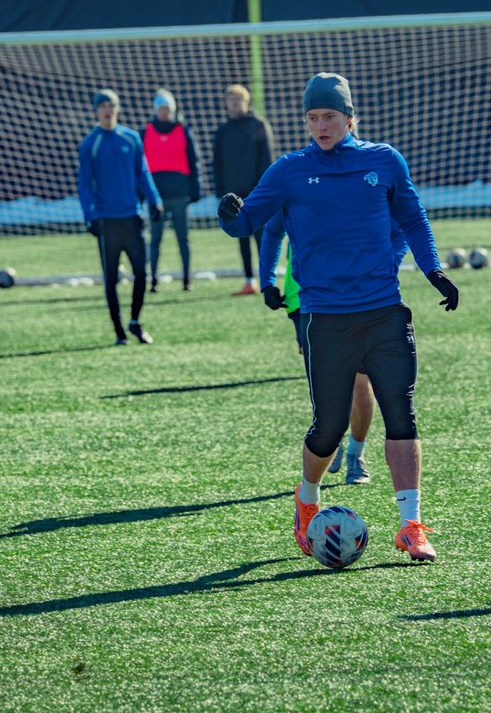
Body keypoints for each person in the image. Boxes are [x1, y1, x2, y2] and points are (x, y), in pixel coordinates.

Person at [218, 72, 459, 562]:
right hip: (325, 318)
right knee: (328, 427)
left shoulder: (384, 161)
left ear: (351, 117)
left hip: (384, 313)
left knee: (402, 414)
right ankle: (306, 501)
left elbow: (413, 219)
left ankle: (410, 526)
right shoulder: (289, 170)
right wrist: (229, 213)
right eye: (312, 117)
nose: (320, 125)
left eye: (329, 116)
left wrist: (433, 270)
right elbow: (249, 223)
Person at [259, 214, 412, 486]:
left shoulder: (363, 179)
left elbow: (402, 227)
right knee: (326, 387)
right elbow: (272, 230)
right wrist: (267, 280)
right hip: (305, 301)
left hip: (360, 298)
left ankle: (356, 453)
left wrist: (388, 265)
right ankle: (332, 439)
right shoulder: (293, 177)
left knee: (360, 385)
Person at [78, 89, 163, 345]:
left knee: (142, 274)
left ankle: (135, 322)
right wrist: (89, 215)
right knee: (111, 279)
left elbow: (142, 172)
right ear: (96, 111)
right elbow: (85, 185)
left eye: (111, 106)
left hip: (131, 217)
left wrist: (154, 200)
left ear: (117, 109)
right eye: (102, 106)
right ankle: (118, 332)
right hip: (107, 221)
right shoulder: (90, 144)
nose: (107, 110)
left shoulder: (132, 138)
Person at [213, 84, 275, 296]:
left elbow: (267, 160)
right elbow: (217, 163)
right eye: (231, 100)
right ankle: (249, 281)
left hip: (256, 195)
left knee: (263, 239)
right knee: (241, 239)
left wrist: (265, 191)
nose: (235, 103)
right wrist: (220, 191)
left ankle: (268, 279)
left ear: (246, 101)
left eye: (238, 99)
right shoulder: (223, 131)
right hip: (233, 196)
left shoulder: (258, 125)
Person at [141, 88, 201, 292]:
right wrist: (142, 192)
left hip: (180, 194)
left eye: (167, 108)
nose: (164, 111)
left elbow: (194, 162)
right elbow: (139, 167)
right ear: (156, 110)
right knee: (155, 239)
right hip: (156, 196)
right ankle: (153, 279)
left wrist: (195, 188)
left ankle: (186, 279)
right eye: (161, 108)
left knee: (183, 238)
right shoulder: (145, 132)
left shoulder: (183, 131)